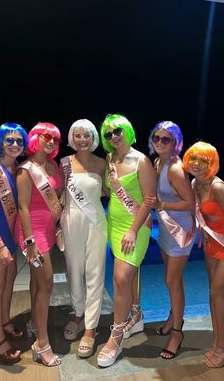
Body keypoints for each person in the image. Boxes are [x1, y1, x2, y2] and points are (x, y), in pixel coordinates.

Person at [96, 113, 157, 367]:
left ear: (127, 131)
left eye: (117, 131)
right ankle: (136, 315)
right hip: (115, 223)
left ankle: (117, 334)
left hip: (136, 226)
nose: (113, 137)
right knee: (129, 276)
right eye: (108, 134)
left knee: (120, 278)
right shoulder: (110, 158)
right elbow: (110, 193)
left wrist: (133, 230)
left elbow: (150, 200)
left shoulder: (141, 160)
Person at [145, 120, 195, 360]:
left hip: (179, 230)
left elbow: (190, 202)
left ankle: (177, 333)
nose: (160, 142)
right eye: (157, 138)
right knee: (171, 281)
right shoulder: (158, 161)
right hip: (166, 228)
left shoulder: (175, 167)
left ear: (176, 142)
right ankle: (172, 317)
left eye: (167, 139)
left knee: (172, 281)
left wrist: (161, 204)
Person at [14, 122, 63, 367]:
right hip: (32, 233)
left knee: (37, 282)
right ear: (35, 138)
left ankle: (35, 322)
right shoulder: (25, 170)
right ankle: (41, 344)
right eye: (46, 137)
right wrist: (30, 242)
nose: (51, 142)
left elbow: (59, 195)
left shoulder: (54, 165)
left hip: (49, 230)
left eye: (55, 138)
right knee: (46, 283)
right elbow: (22, 207)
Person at [60, 119, 107, 358]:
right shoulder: (64, 163)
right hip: (71, 221)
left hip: (96, 222)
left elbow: (110, 191)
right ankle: (78, 313)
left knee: (95, 272)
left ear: (93, 138)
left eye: (87, 135)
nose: (82, 140)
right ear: (72, 138)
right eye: (78, 135)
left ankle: (90, 327)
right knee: (74, 269)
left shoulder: (102, 163)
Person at [0, 122, 28, 364]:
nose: (14, 144)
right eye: (9, 140)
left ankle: (3, 320)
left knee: (9, 280)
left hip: (9, 237)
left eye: (19, 141)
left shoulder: (14, 170)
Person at [183, 141, 224, 368]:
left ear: (212, 163)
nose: (197, 164)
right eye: (193, 159)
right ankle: (218, 342)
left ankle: (221, 349)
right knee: (215, 297)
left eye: (203, 161)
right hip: (211, 244)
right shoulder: (195, 183)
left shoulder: (218, 188)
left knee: (218, 293)